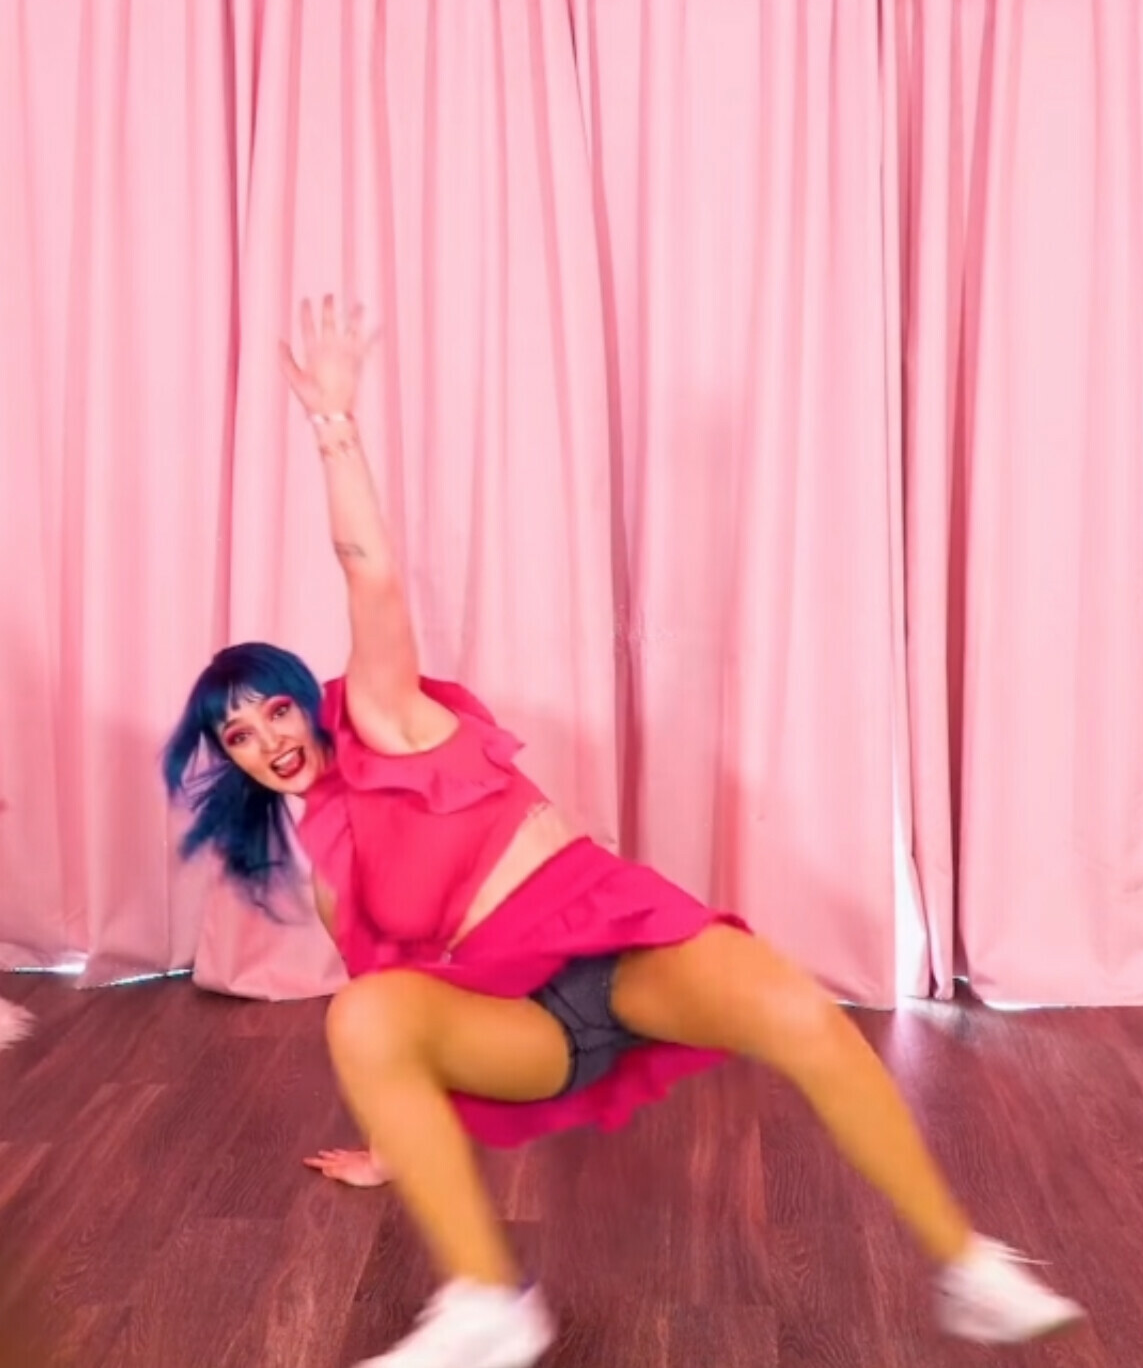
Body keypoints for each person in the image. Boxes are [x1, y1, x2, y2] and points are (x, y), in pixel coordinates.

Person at [164, 296, 1085, 1368]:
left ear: (305, 699)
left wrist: (333, 425)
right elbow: (389, 1008)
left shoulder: (383, 717)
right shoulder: (328, 859)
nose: (267, 739)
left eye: (274, 710)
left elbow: (367, 566)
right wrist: (387, 1140)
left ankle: (967, 1266)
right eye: (238, 736)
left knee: (796, 1015)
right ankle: (487, 1306)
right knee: (358, 1008)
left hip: (624, 948)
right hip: (525, 1025)